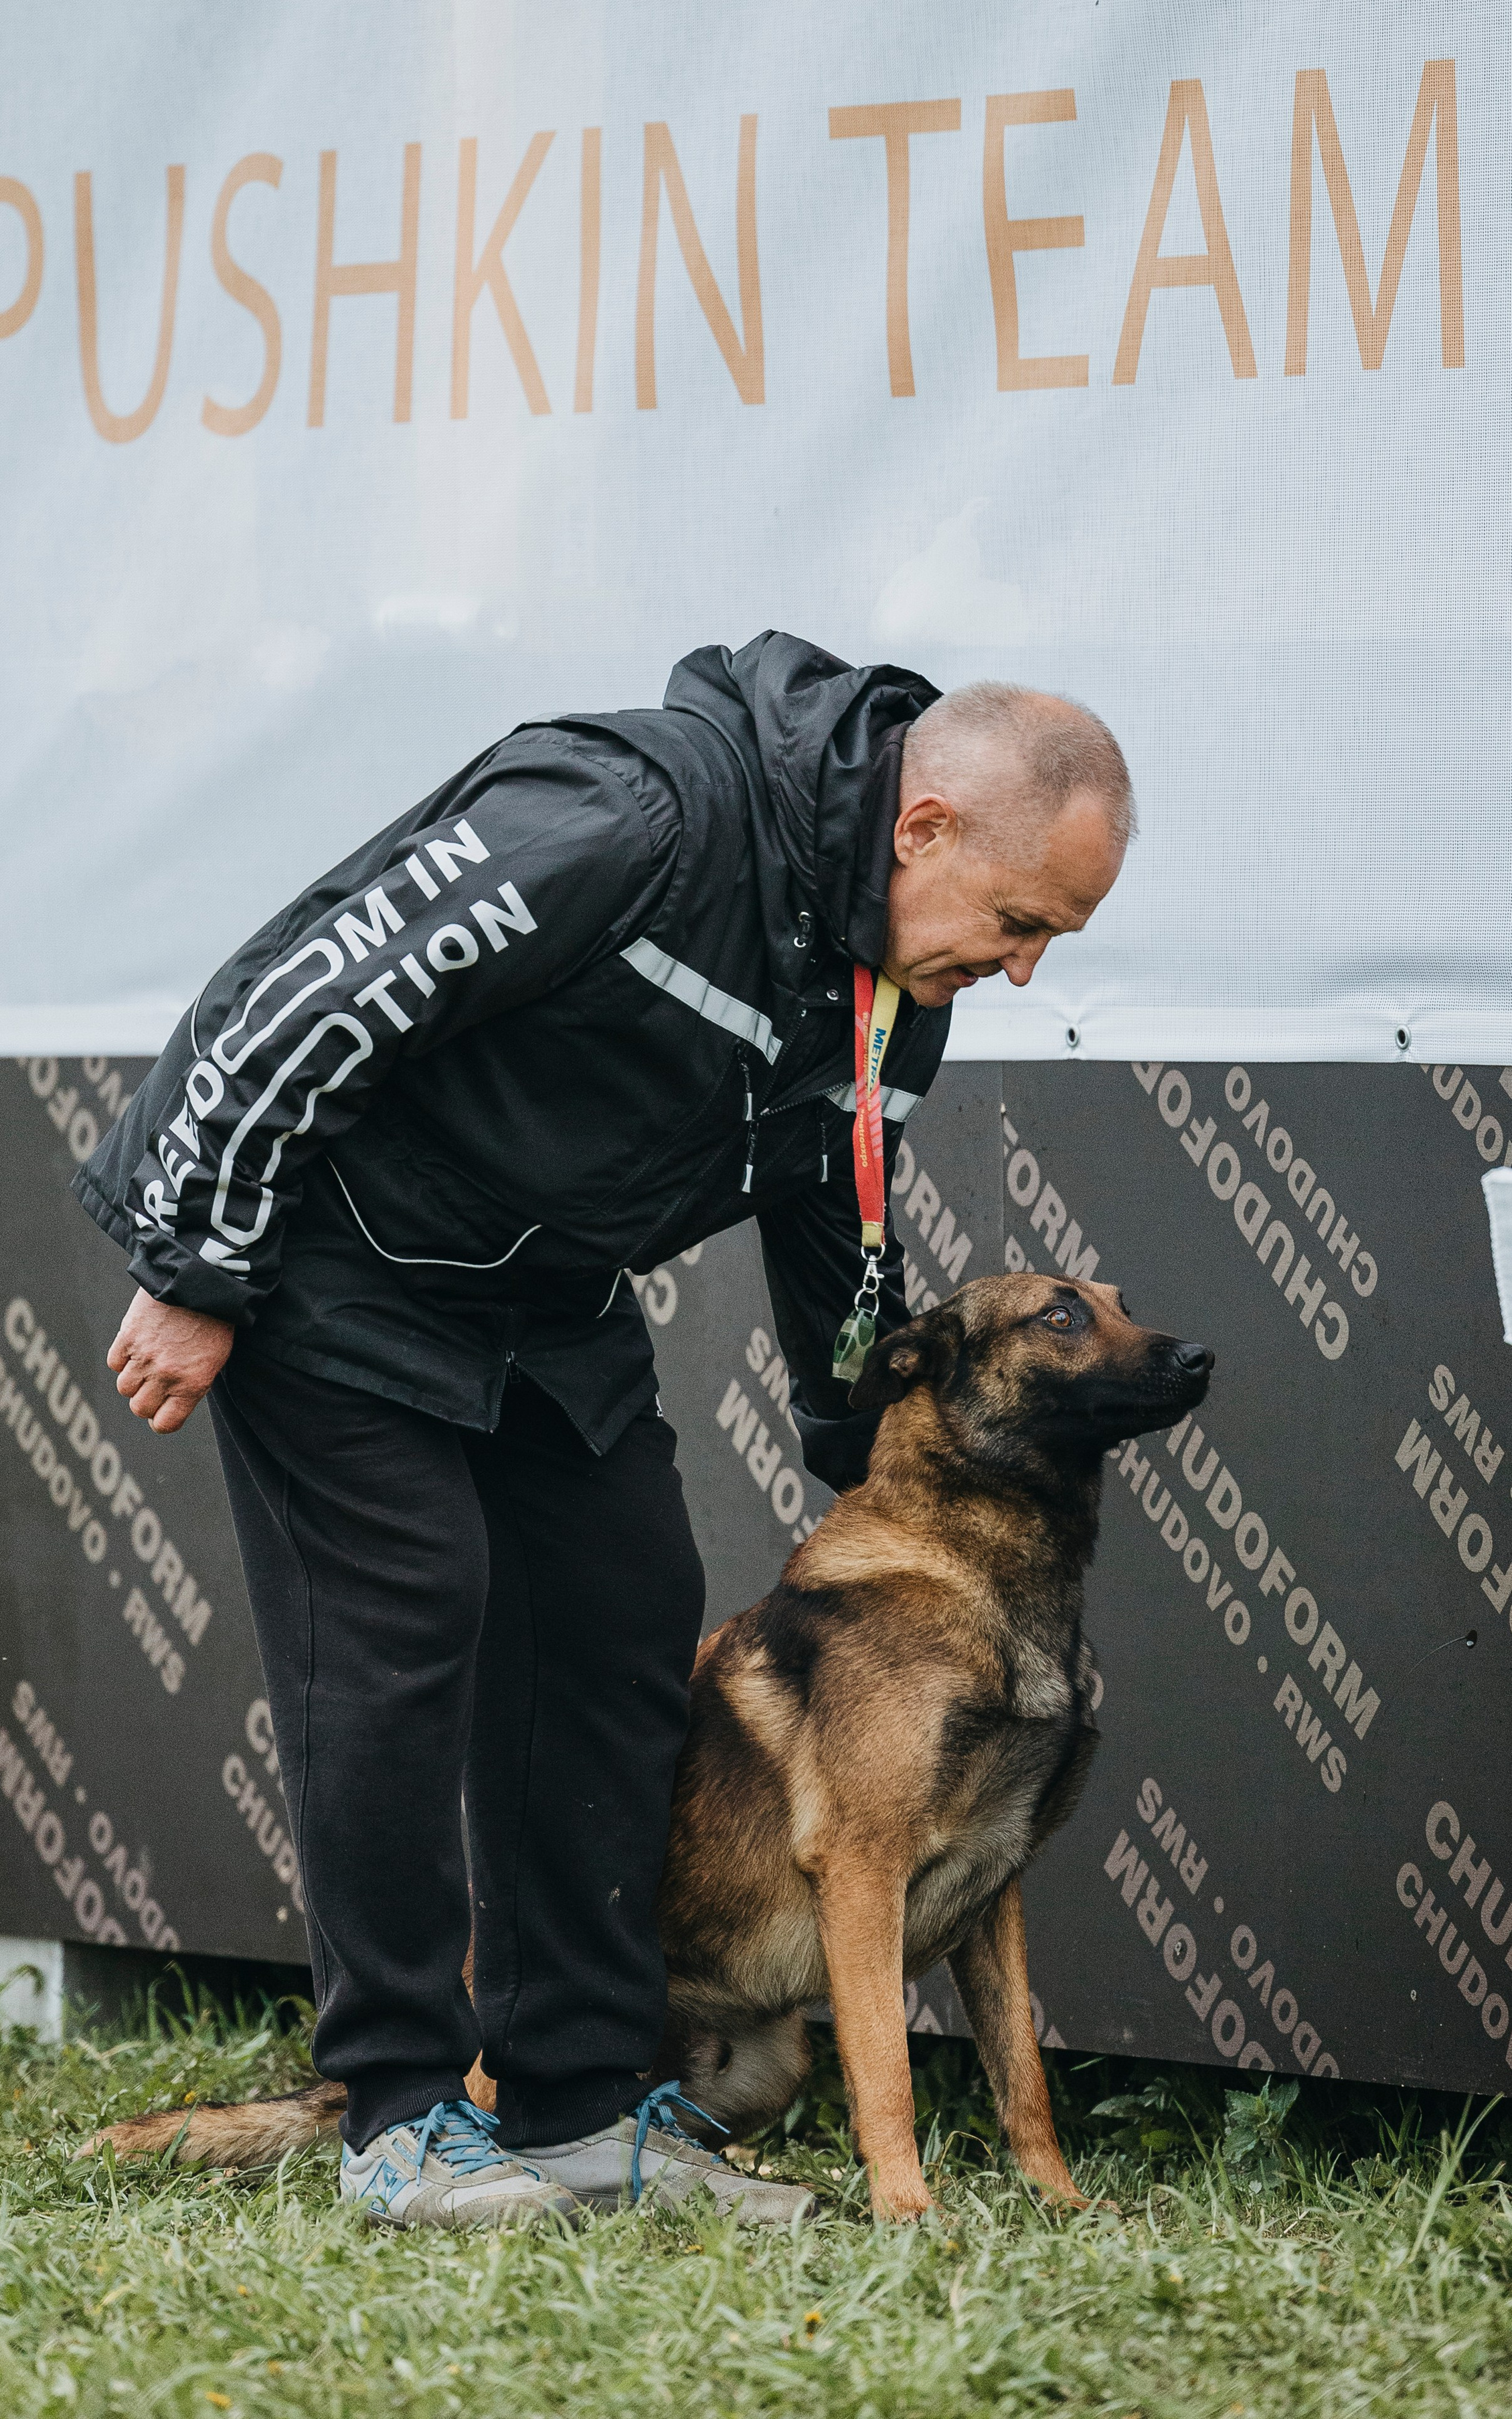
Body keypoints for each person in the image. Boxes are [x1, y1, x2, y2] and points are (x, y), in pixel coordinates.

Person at [75, 632, 1134, 2228]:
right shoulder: (632, 813)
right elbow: (313, 986)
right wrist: (197, 1262)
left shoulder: (886, 987)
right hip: (334, 1255)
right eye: (1017, 923)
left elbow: (829, 1215)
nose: (1023, 967)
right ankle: (400, 2114)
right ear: (921, 831)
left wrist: (868, 1455)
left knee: (625, 1602)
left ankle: (581, 2099)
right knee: (408, 1612)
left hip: (542, 1295)